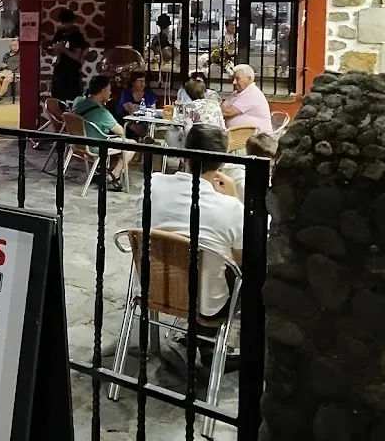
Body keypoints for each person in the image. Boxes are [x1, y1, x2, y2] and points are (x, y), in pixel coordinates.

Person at [136, 124, 243, 370]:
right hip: (205, 302)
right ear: (222, 164)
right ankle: (208, 341)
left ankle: (201, 340)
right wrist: (234, 196)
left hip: (153, 288)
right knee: (243, 273)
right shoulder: (229, 207)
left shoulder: (152, 184)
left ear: (184, 154)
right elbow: (243, 260)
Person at [71, 75, 135, 185]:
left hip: (77, 143)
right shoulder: (102, 113)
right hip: (95, 146)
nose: (110, 93)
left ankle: (103, 171)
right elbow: (120, 131)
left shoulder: (78, 101)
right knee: (132, 145)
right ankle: (115, 175)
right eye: (109, 90)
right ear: (102, 91)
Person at [219, 131, 279, 202]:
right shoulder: (242, 181)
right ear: (255, 163)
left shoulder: (234, 167)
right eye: (271, 167)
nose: (273, 171)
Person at [50, 9, 88, 103]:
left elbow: (76, 57)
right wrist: (56, 49)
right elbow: (54, 51)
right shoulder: (58, 34)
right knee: (57, 100)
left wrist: (62, 49)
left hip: (71, 73)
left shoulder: (76, 36)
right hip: (59, 72)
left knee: (72, 100)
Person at [221, 64, 273, 132]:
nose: (234, 82)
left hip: (255, 138)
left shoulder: (252, 94)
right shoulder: (238, 92)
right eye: (233, 79)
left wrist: (220, 109)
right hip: (238, 135)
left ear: (249, 78)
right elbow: (223, 108)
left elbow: (227, 112)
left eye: (237, 79)